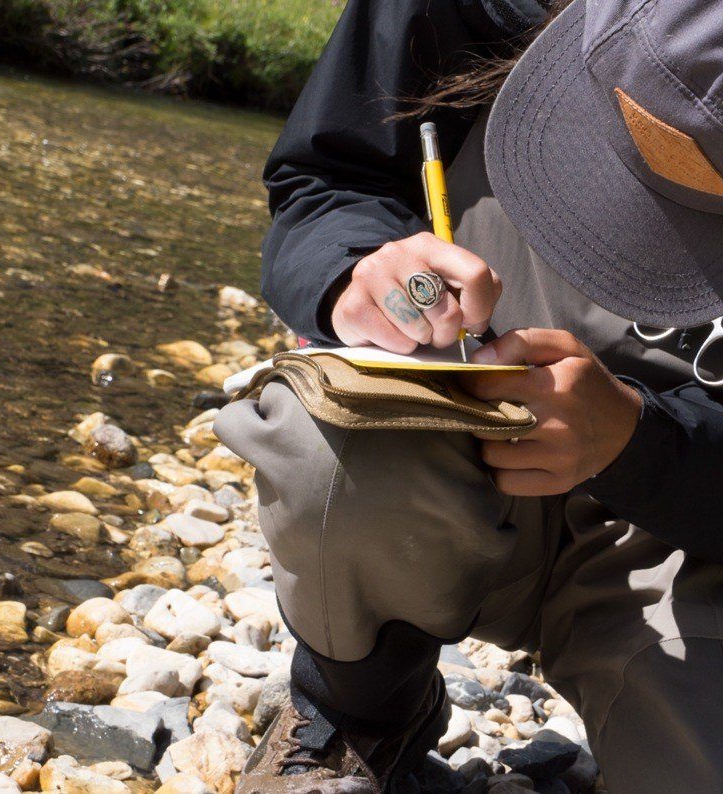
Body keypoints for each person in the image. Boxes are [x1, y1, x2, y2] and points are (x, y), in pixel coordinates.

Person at [214, 1, 723, 791]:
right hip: (459, 449)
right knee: (329, 441)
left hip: (696, 533)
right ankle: (362, 715)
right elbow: (327, 175)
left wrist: (639, 443)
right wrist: (355, 272)